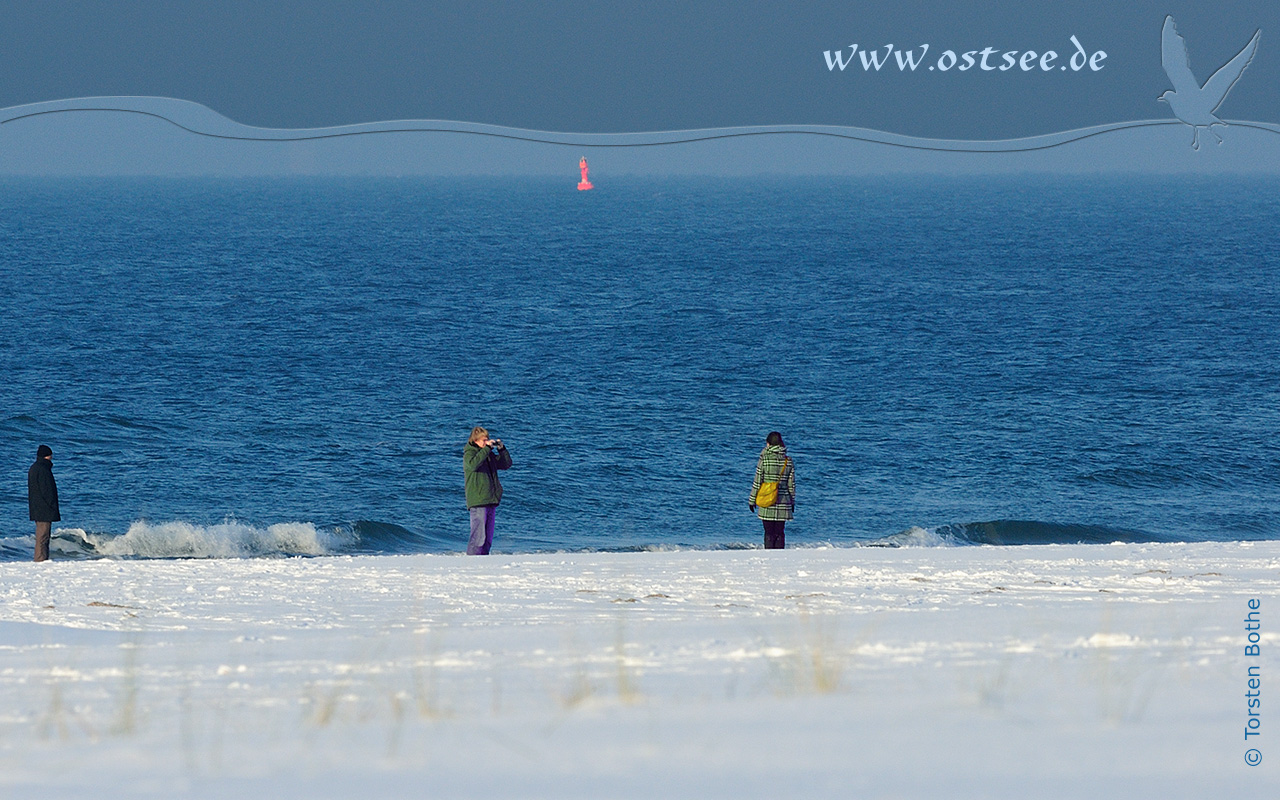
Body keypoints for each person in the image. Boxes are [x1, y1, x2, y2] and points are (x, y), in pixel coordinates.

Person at [462, 426, 512, 555]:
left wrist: (502, 449)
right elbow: (473, 465)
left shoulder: (487, 454)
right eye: (483, 440)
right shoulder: (470, 453)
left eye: (487, 440)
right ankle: (472, 560)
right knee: (478, 537)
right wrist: (487, 449)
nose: (486, 442)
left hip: (490, 498)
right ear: (476, 440)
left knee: (487, 538)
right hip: (478, 500)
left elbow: (506, 464)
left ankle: (483, 562)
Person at [748, 431, 794, 549]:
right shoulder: (788, 461)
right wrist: (792, 502)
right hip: (783, 501)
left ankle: (769, 555)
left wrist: (752, 500)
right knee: (780, 532)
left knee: (768, 532)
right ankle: (779, 556)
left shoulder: (764, 459)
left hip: (767, 499)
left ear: (768, 444)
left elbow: (757, 481)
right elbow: (791, 485)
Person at [27, 444, 60, 562]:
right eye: (50, 455)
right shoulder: (43, 469)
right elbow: (47, 491)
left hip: (37, 507)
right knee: (43, 536)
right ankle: (40, 559)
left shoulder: (35, 467)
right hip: (44, 508)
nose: (51, 457)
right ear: (46, 456)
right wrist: (52, 506)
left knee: (42, 535)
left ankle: (41, 558)